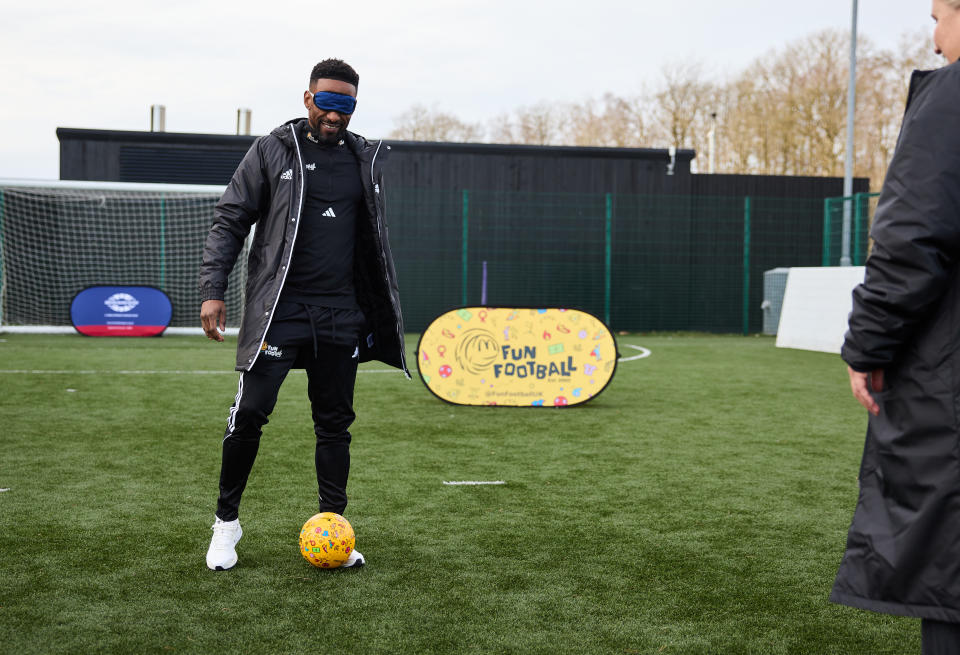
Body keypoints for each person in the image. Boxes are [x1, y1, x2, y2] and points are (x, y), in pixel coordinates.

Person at [198, 58, 408, 571]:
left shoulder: (366, 158)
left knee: (334, 425)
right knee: (250, 413)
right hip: (280, 309)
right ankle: (227, 524)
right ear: (308, 99)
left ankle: (334, 528)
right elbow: (231, 219)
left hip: (340, 314)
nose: (336, 114)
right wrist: (212, 289)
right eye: (328, 102)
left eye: (347, 105)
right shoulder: (274, 149)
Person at [832, 1, 960, 652]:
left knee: (951, 575)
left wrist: (867, 345)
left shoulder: (953, 102)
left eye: (938, 16)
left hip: (950, 389)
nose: (934, 38)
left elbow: (911, 239)